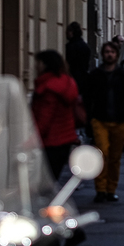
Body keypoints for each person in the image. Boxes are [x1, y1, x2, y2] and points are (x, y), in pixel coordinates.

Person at [83, 41, 124, 203]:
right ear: (103, 54)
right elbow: (88, 98)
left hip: (120, 120)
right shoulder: (95, 75)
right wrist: (88, 118)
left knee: (115, 157)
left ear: (116, 54)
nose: (109, 54)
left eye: (112, 52)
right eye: (107, 52)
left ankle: (111, 189)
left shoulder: (123, 75)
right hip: (99, 119)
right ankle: (100, 189)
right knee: (102, 153)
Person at [32, 50, 81, 181]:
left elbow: (44, 118)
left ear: (44, 64)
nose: (35, 66)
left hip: (50, 141)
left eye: (37, 63)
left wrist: (32, 139)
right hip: (65, 139)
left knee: (43, 183)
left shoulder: (48, 88)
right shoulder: (67, 82)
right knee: (52, 179)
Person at [65, 22, 91, 95]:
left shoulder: (69, 47)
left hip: (71, 79)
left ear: (71, 32)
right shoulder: (85, 46)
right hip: (83, 79)